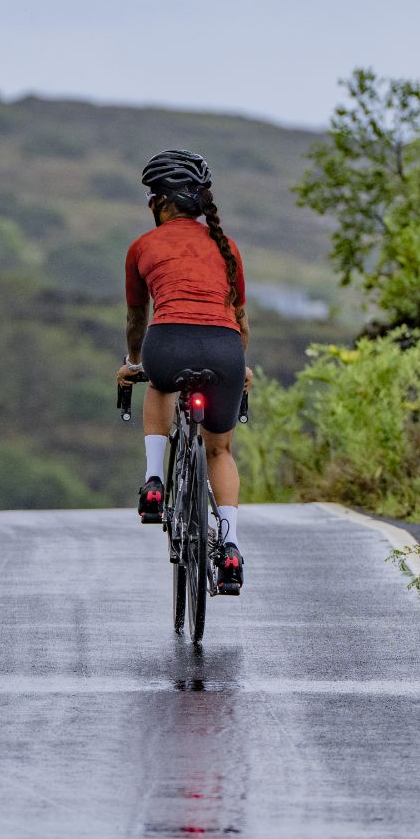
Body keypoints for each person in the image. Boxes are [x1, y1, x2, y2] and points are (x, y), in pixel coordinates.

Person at [119, 148, 250, 595]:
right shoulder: (226, 245)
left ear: (160, 202)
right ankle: (230, 547)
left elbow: (138, 320)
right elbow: (240, 321)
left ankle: (154, 482)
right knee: (219, 451)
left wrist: (134, 364)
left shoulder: (143, 246)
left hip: (166, 344)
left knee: (159, 385)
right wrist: (241, 370)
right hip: (226, 350)